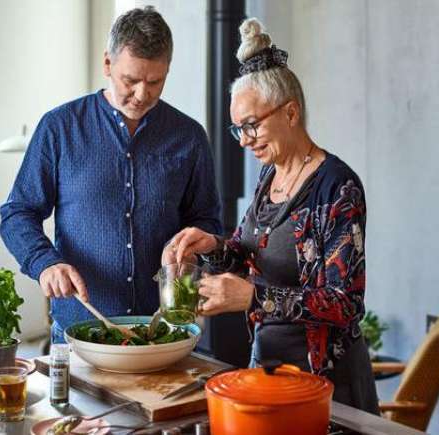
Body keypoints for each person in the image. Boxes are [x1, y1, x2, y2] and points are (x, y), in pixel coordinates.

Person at [162, 18, 378, 413]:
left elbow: (346, 303)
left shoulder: (337, 187)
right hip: (268, 370)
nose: (244, 140)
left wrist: (253, 297)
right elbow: (248, 254)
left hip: (325, 384)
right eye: (237, 129)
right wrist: (211, 246)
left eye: (251, 125)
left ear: (291, 113)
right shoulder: (269, 177)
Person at [0, 6, 222, 345]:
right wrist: (45, 262)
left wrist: (197, 244)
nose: (142, 94)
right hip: (80, 332)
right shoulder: (59, 128)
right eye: (130, 81)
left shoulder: (189, 136)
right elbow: (17, 213)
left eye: (155, 82)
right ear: (107, 64)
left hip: (163, 332)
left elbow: (207, 220)